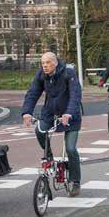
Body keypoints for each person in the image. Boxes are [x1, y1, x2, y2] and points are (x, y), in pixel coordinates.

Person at [22, 52, 82, 196]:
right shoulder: (41, 75)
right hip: (49, 114)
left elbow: (75, 95)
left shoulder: (68, 73)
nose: (45, 66)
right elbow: (32, 93)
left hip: (70, 116)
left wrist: (69, 113)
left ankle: (75, 181)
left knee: (71, 149)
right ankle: (49, 156)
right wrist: (26, 112)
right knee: (39, 130)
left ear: (55, 63)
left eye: (48, 62)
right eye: (43, 63)